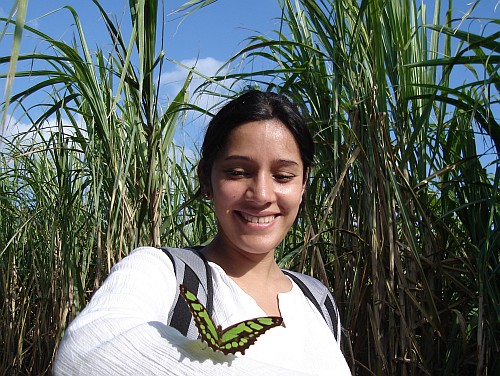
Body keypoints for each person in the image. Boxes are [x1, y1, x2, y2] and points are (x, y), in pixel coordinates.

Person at [53, 90, 351, 375]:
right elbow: (88, 352)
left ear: (302, 186)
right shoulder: (164, 273)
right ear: (206, 180)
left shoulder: (318, 301)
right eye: (237, 172)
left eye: (283, 176)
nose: (261, 194)